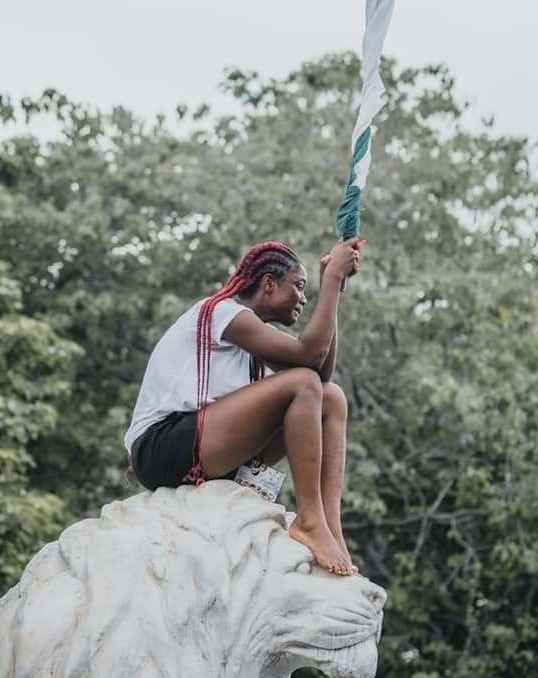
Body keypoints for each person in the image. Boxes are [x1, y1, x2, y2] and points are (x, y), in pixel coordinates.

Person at [124, 238, 363, 575]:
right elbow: (309, 361)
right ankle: (309, 519)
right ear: (268, 283)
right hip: (161, 448)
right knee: (303, 385)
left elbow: (320, 370)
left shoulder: (255, 344)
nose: (304, 298)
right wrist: (332, 279)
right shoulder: (224, 312)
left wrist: (333, 290)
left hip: (206, 447)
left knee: (331, 397)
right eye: (299, 286)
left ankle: (331, 529)